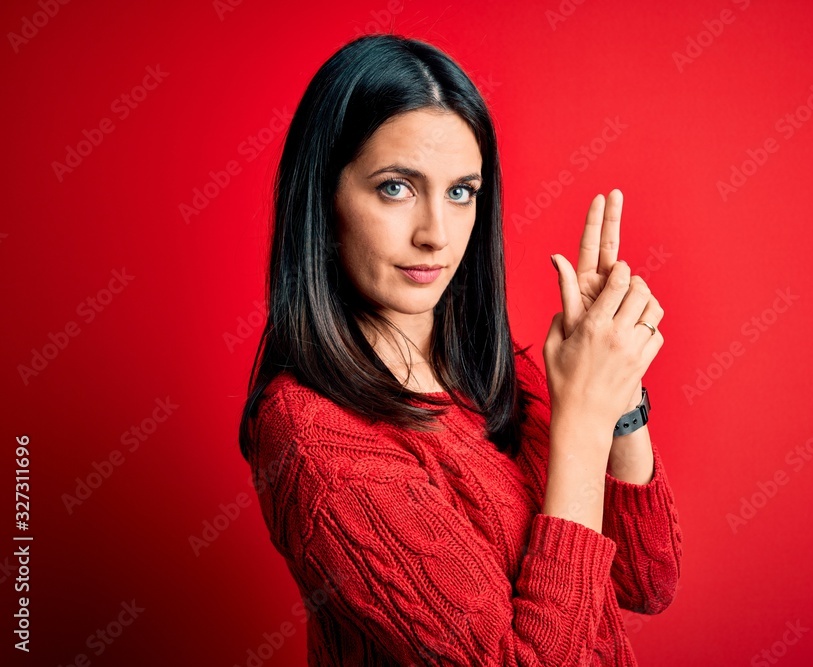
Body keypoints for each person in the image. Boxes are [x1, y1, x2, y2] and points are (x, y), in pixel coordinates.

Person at [237, 32, 682, 666]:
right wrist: (582, 422)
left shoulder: (494, 369)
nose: (436, 235)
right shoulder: (312, 436)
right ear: (325, 197)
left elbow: (647, 580)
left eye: (460, 192)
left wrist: (618, 387)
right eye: (396, 187)